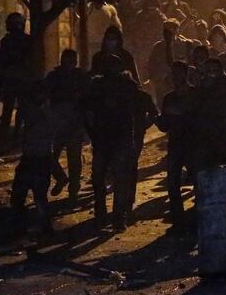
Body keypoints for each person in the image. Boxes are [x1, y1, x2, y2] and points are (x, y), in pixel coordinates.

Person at [83, 54, 148, 230]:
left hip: (116, 139)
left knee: (112, 180)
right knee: (106, 180)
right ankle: (108, 217)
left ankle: (113, 218)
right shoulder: (98, 86)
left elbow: (145, 107)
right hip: (108, 139)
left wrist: (137, 132)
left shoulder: (126, 86)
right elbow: (86, 111)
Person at [11, 81, 57, 234]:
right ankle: (24, 224)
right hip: (32, 157)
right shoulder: (33, 111)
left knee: (36, 195)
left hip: (39, 158)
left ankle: (41, 225)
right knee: (24, 194)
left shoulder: (45, 112)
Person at [156, 60, 196, 234]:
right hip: (176, 144)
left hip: (194, 144)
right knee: (173, 184)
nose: (175, 77)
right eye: (174, 74)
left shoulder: (196, 95)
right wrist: (157, 119)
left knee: (198, 183)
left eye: (178, 73)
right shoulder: (169, 98)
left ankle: (196, 219)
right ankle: (178, 221)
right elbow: (165, 125)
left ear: (186, 74)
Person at [45, 49, 89, 201]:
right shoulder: (53, 77)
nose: (69, 65)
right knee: (50, 155)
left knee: (74, 158)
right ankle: (61, 178)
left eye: (71, 61)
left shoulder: (81, 77)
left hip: (74, 123)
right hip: (57, 122)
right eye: (66, 61)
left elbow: (86, 99)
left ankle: (73, 189)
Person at [0, 12, 32, 148]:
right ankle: (12, 137)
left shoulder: (9, 41)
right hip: (16, 79)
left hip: (16, 79)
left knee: (15, 109)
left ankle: (12, 137)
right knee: (14, 109)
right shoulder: (12, 41)